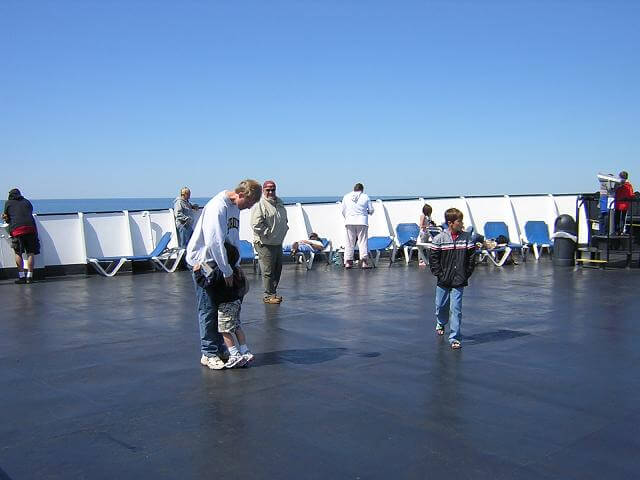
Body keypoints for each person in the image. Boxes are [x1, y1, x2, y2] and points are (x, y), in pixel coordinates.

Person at [186, 179, 262, 370]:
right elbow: (214, 242)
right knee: (208, 308)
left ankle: (219, 349)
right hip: (205, 262)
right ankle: (209, 353)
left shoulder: (235, 208)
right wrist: (227, 270)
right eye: (249, 203)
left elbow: (233, 238)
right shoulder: (217, 207)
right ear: (241, 195)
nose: (249, 208)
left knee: (222, 308)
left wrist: (235, 265)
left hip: (223, 263)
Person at [428, 208, 476, 350]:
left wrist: (466, 273)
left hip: (459, 280)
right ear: (450, 223)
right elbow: (433, 259)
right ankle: (441, 322)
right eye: (459, 221)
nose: (462, 224)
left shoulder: (467, 238)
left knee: (456, 309)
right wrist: (439, 274)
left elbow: (471, 258)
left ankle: (455, 337)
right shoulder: (439, 239)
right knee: (441, 306)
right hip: (443, 280)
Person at [216, 242, 254, 369]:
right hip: (236, 302)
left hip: (225, 305)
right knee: (237, 326)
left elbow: (208, 283)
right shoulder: (238, 270)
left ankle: (234, 354)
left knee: (225, 330)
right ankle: (245, 350)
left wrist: (199, 274)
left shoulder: (224, 272)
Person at [251, 180, 289, 304]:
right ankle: (268, 295)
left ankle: (273, 293)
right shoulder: (260, 204)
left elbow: (284, 219)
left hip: (277, 242)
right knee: (268, 271)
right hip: (265, 243)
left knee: (277, 269)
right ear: (263, 190)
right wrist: (268, 233)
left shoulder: (280, 203)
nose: (271, 192)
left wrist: (284, 228)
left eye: (273, 189)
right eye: (268, 190)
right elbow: (256, 224)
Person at [2, 188, 40, 284]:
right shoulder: (26, 202)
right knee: (30, 253)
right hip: (31, 229)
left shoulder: (8, 203)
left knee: (18, 253)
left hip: (17, 230)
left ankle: (22, 277)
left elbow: (6, 216)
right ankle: (30, 277)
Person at [341, 183, 374, 269]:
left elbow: (343, 210)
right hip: (362, 222)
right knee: (362, 242)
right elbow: (371, 210)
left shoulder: (346, 196)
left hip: (349, 222)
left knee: (349, 242)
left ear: (354, 189)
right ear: (362, 189)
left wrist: (348, 217)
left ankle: (348, 262)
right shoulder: (365, 197)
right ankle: (364, 262)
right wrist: (366, 212)